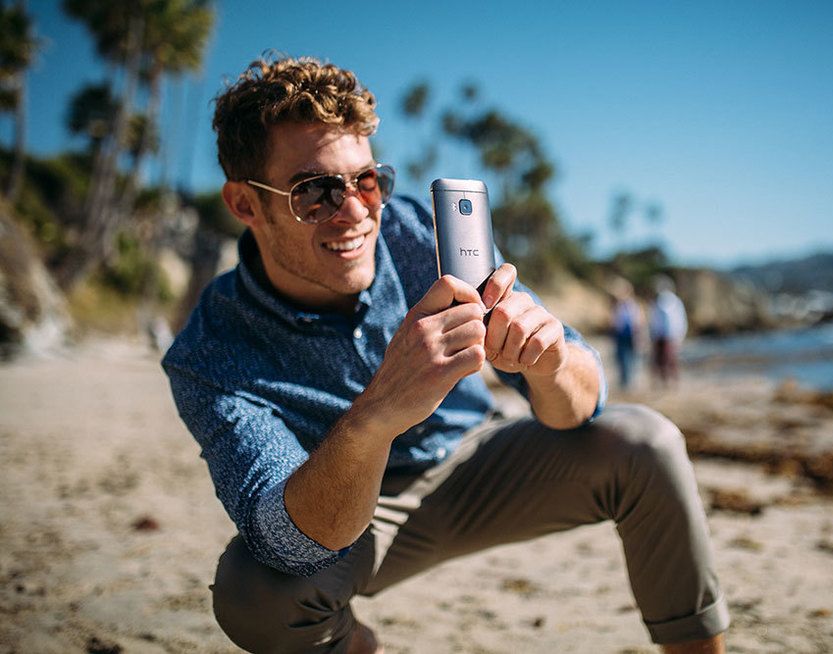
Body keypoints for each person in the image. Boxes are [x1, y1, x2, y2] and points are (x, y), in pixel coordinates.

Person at [162, 56, 728, 654]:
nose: (355, 212)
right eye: (318, 192)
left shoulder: (423, 234)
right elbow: (289, 543)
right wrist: (376, 414)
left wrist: (549, 364)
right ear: (247, 204)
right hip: (352, 508)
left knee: (648, 442)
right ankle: (351, 644)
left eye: (366, 181)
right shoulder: (209, 354)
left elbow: (578, 410)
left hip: (478, 460)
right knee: (256, 593)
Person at [649, 275, 688, 386]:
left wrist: (679, 335)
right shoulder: (656, 303)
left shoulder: (674, 302)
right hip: (660, 336)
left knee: (670, 360)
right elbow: (654, 321)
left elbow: (680, 320)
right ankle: (665, 382)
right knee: (661, 360)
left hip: (670, 336)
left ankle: (671, 382)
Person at [609, 277, 642, 390]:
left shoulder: (632, 305)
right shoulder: (617, 305)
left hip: (630, 335)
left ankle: (629, 381)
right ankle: (624, 381)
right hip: (620, 335)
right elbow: (615, 321)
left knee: (630, 357)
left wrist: (638, 335)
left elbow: (637, 321)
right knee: (621, 357)